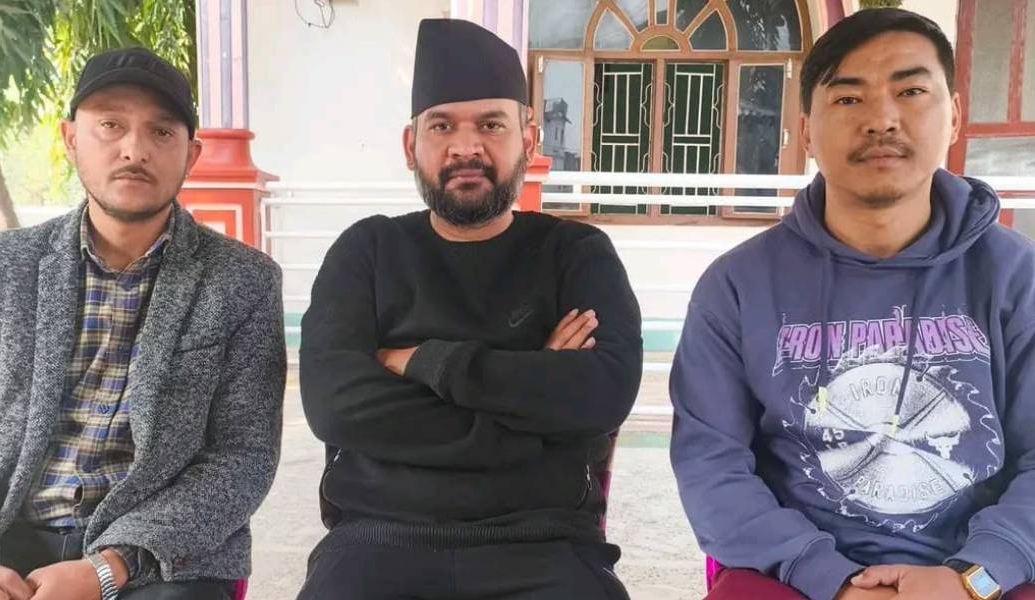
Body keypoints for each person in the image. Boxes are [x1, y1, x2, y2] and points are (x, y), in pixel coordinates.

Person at [670, 8, 1035, 600]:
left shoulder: (1017, 276)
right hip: (801, 576)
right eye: (847, 98)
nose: (881, 120)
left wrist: (974, 578)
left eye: (910, 92)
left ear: (954, 116)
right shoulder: (737, 286)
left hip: (981, 577)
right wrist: (829, 578)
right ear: (806, 130)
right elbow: (710, 464)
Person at [297, 18, 643, 600]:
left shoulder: (575, 253)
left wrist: (423, 362)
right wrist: (532, 403)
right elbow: (335, 406)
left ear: (527, 140)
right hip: (378, 541)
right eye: (442, 126)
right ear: (410, 146)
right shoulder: (368, 251)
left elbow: (604, 391)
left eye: (490, 124)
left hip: (544, 542)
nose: (465, 147)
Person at [0, 47, 285, 600]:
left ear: (191, 154)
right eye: (110, 125)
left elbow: (241, 460)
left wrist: (110, 566)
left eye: (161, 132)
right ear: (71, 137)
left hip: (158, 557)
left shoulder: (242, 281)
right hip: (3, 536)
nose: (134, 150)